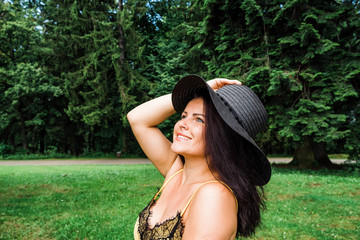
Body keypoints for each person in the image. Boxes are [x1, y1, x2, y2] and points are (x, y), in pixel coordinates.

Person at [128, 75, 271, 239]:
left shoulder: (214, 197)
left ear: (224, 136)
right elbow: (137, 119)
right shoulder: (176, 171)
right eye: (184, 115)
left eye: (199, 120)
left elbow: (138, 120)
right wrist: (205, 88)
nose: (182, 124)